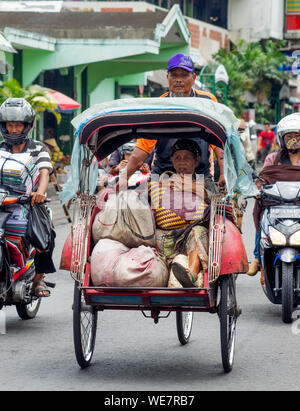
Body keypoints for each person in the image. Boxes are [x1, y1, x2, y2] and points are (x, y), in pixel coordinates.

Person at [119, 53, 225, 192]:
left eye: (184, 75)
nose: (179, 80)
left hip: (199, 177)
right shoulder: (158, 107)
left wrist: (223, 174)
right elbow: (141, 152)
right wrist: (123, 179)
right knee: (141, 207)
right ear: (168, 78)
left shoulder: (207, 102)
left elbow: (218, 144)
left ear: (193, 78)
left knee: (216, 210)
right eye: (174, 75)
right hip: (163, 176)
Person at [0, 97, 55, 297]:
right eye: (10, 125)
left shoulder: (38, 148)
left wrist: (40, 193)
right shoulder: (0, 148)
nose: (14, 130)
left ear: (27, 126)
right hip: (2, 202)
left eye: (18, 125)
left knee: (44, 236)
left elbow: (44, 172)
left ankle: (38, 280)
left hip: (28, 203)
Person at [149, 139, 209, 288]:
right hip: (164, 236)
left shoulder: (205, 182)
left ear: (196, 161)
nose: (182, 162)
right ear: (172, 161)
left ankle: (191, 275)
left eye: (187, 158)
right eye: (177, 158)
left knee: (198, 232)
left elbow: (207, 193)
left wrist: (185, 185)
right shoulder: (163, 182)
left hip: (189, 235)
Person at [247, 112, 300, 279]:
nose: (293, 139)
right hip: (277, 204)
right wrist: (258, 190)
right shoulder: (272, 159)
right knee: (262, 215)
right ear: (281, 139)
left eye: (297, 136)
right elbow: (263, 179)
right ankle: (258, 258)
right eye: (289, 136)